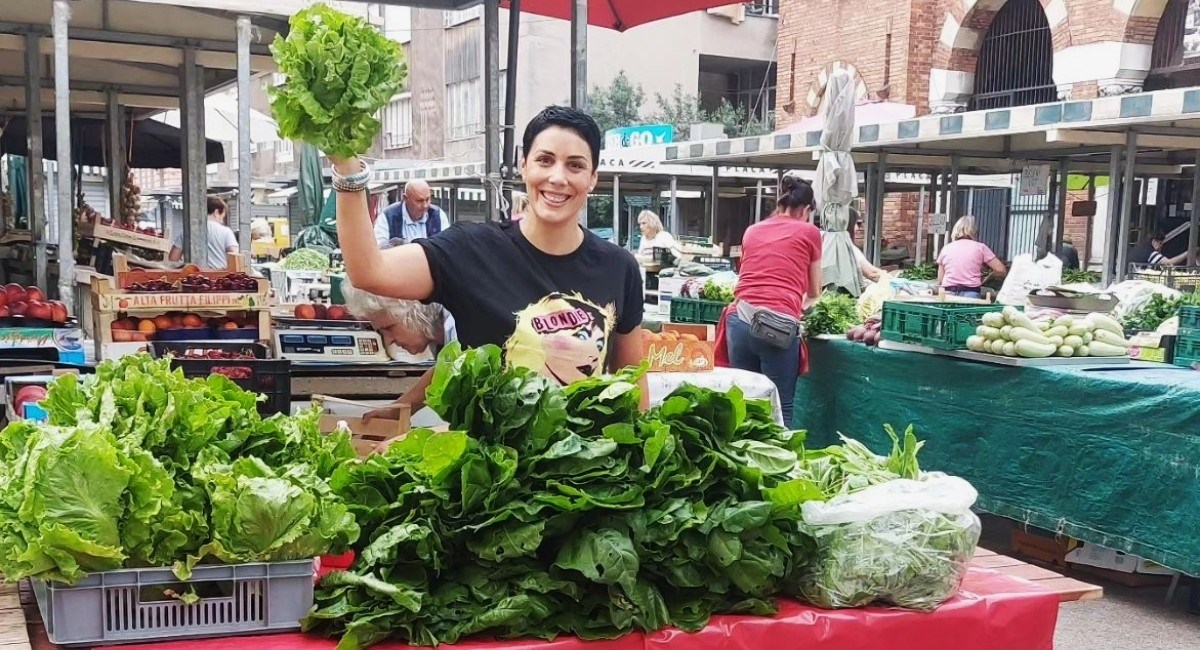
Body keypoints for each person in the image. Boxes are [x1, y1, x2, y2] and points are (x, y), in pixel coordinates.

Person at [333, 105, 645, 390]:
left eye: (575, 166)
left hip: (586, 451)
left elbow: (632, 389)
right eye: (545, 160)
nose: (557, 177)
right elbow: (368, 271)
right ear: (523, 165)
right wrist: (347, 168)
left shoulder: (619, 268)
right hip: (489, 453)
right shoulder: (472, 250)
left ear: (592, 179)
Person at [714, 174, 822, 426]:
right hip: (778, 329)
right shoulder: (810, 232)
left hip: (739, 321)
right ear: (805, 209)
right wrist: (801, 307)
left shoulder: (751, 230)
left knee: (744, 404)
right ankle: (779, 461)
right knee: (780, 408)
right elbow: (815, 290)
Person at [341, 271, 456, 421]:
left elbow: (479, 430)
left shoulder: (466, 328)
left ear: (415, 310)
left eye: (388, 328)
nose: (388, 341)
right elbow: (445, 368)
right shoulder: (440, 334)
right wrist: (395, 411)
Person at [936, 215, 1006, 299]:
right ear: (974, 231)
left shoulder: (946, 248)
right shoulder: (980, 247)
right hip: (971, 292)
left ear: (955, 230)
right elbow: (1001, 269)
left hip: (948, 292)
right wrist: (986, 277)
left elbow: (940, 278)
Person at [168, 195, 239, 270]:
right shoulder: (226, 232)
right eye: (222, 217)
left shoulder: (188, 232)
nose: (222, 221)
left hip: (193, 278)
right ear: (216, 212)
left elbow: (173, 259)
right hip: (219, 278)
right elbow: (235, 257)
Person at [373, 179, 451, 247]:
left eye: (428, 199)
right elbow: (379, 247)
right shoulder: (387, 216)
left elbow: (447, 246)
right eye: (419, 201)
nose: (425, 205)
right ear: (406, 198)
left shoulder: (438, 215)